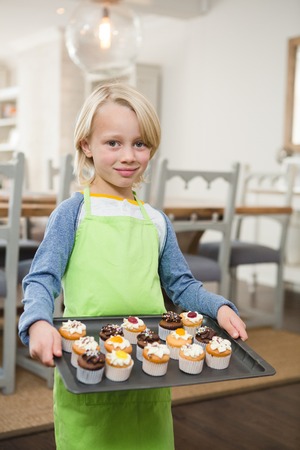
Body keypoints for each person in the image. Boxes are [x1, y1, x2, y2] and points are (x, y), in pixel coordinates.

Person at [18, 82, 247, 450]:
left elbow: (182, 285)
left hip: (148, 365)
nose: (128, 155)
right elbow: (42, 278)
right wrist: (39, 320)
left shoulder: (156, 220)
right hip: (87, 366)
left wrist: (216, 306)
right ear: (86, 145)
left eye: (139, 143)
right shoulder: (72, 214)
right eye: (113, 143)